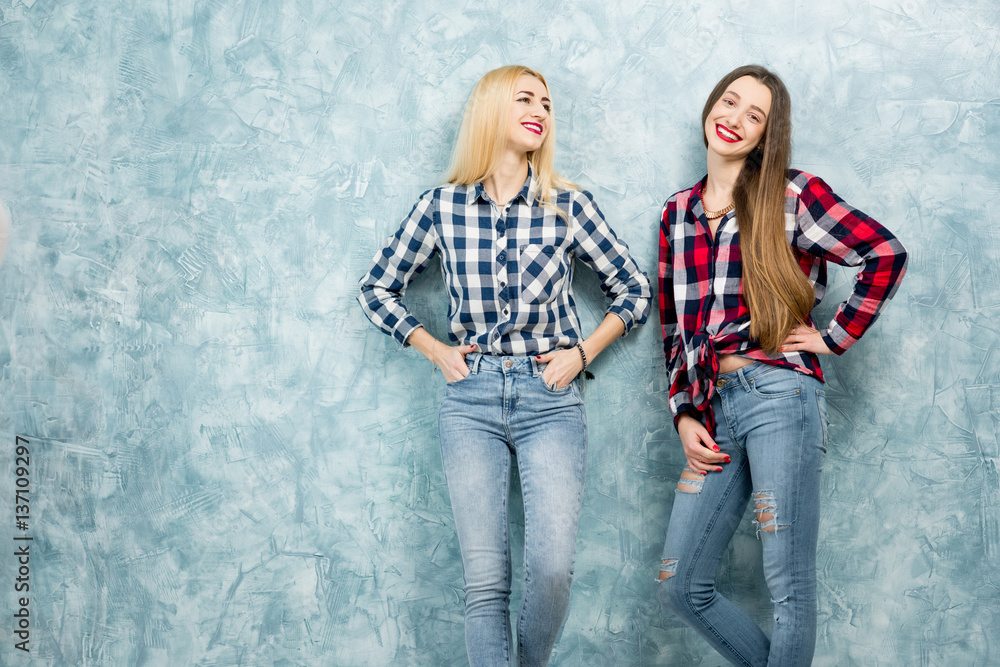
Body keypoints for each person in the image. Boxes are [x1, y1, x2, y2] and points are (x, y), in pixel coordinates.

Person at [358, 65, 651, 666]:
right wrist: (434, 347)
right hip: (471, 398)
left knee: (551, 570)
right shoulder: (440, 206)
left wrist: (581, 354)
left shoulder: (569, 206)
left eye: (546, 102)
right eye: (525, 98)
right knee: (485, 584)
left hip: (551, 396)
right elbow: (377, 288)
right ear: (492, 109)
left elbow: (635, 291)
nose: (540, 109)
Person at [655, 64, 907, 666]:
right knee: (680, 586)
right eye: (730, 102)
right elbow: (673, 325)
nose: (734, 119)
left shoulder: (793, 194)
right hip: (714, 409)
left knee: (788, 588)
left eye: (754, 116)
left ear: (766, 136)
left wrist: (834, 336)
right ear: (711, 105)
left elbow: (884, 252)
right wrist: (685, 412)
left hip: (779, 397)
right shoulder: (675, 213)